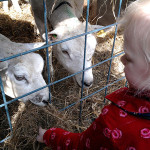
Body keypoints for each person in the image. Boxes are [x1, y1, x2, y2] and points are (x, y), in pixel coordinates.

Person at [36, 0, 150, 149]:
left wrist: (49, 136)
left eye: (128, 57)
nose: (121, 59)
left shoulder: (113, 123)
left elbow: (80, 145)